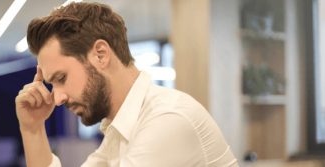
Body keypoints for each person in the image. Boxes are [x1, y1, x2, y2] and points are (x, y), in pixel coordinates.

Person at [15, 2, 238, 167]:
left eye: (61, 79)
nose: (58, 97)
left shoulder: (167, 119)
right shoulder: (119, 132)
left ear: (100, 55)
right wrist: (32, 128)